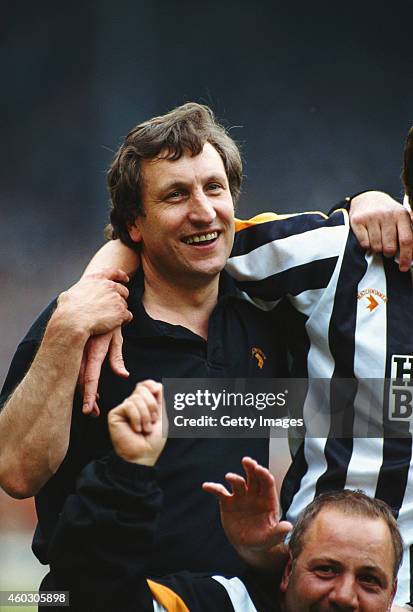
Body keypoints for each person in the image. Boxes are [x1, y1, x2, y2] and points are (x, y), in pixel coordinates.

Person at [0, 104, 409, 597]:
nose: (202, 210)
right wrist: (68, 327)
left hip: (221, 602)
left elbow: (363, 414)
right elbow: (15, 471)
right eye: (176, 195)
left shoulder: (265, 321)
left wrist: (369, 199)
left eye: (214, 189)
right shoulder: (86, 319)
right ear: (135, 223)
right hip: (100, 596)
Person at [48, 380, 402, 612]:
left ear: (393, 595)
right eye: (326, 570)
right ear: (287, 571)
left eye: (370, 579)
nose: (343, 596)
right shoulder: (232, 606)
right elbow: (86, 600)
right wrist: (128, 472)